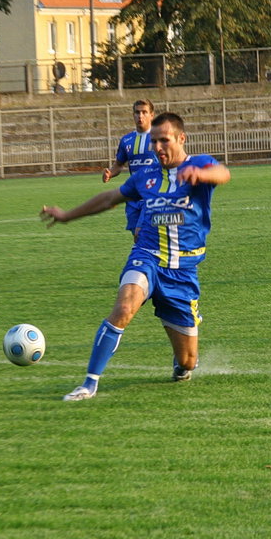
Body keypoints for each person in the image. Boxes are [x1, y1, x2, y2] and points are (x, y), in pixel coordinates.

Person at [40, 112, 231, 401]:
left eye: (163, 140)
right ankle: (89, 383)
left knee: (187, 363)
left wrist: (202, 175)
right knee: (125, 306)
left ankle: (182, 358)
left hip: (183, 272)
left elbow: (223, 173)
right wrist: (67, 215)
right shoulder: (145, 175)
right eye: (153, 141)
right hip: (148, 256)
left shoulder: (199, 164)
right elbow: (109, 198)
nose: (157, 147)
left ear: (181, 138)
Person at [102, 99, 156, 239]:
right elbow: (119, 165)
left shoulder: (159, 138)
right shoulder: (127, 140)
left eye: (144, 112)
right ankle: (146, 260)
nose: (140, 116)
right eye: (137, 112)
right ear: (133, 115)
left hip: (152, 194)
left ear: (152, 115)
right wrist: (110, 173)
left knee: (141, 232)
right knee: (136, 236)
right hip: (133, 195)